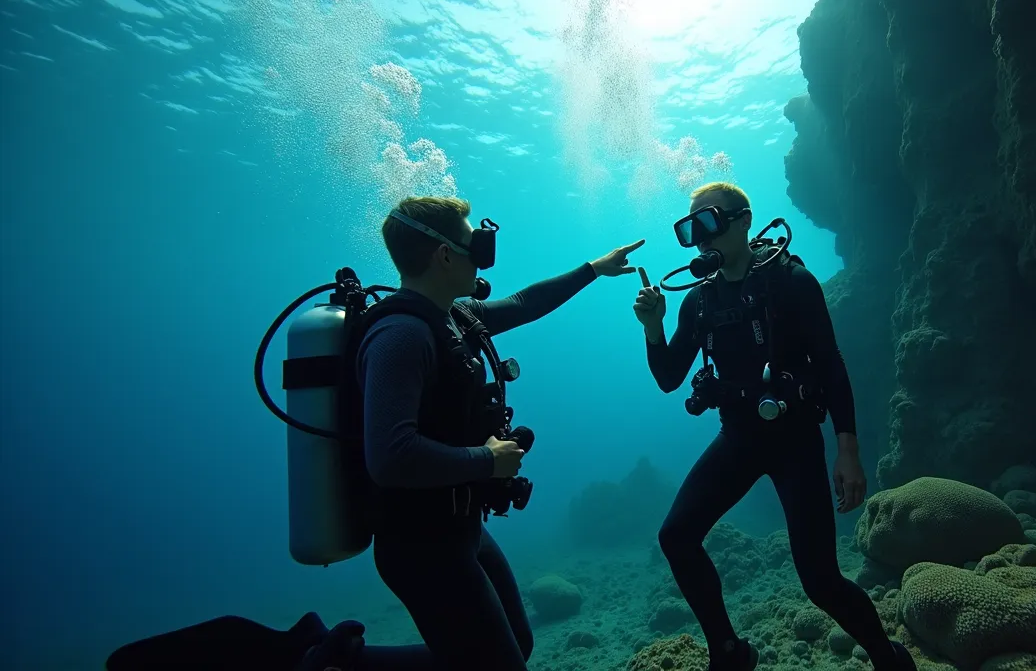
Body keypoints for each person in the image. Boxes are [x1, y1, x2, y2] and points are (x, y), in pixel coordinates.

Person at [104, 196, 644, 671]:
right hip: (420, 545)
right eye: (474, 242)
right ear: (444, 254)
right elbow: (391, 456)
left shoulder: (453, 317)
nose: (482, 255)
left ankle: (338, 658)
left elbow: (525, 304)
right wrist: (488, 459)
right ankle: (311, 658)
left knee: (513, 647)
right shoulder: (401, 335)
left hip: (459, 527)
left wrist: (594, 269)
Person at [632, 182, 917, 671]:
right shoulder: (696, 302)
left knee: (820, 581)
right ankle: (729, 653)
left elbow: (831, 366)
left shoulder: (791, 283)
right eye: (689, 229)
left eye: (709, 224)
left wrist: (846, 450)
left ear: (743, 221)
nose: (700, 240)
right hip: (738, 438)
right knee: (676, 536)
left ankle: (888, 658)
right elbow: (667, 378)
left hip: (794, 442)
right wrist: (653, 328)